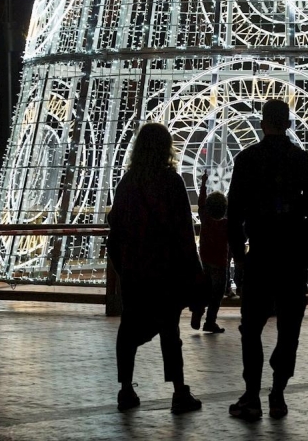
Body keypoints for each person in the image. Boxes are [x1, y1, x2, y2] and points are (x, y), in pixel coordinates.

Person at [226, 99, 308, 420]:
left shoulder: (248, 159)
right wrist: (305, 252)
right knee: (289, 328)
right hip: (292, 258)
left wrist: (239, 256)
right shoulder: (304, 161)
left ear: (263, 123)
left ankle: (251, 395)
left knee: (251, 328)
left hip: (261, 254)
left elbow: (234, 213)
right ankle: (278, 393)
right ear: (289, 123)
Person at [107, 122, 203, 414]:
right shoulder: (171, 183)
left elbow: (115, 232)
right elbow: (184, 233)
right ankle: (178, 391)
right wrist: (194, 272)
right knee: (169, 332)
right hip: (166, 273)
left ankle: (125, 388)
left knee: (129, 330)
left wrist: (124, 268)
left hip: (136, 274)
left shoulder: (126, 184)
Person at [191, 171, 231, 333]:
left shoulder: (205, 220)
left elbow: (200, 204)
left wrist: (203, 184)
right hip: (220, 265)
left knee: (203, 291)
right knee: (216, 296)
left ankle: (197, 311)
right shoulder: (227, 225)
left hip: (205, 261)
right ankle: (210, 321)